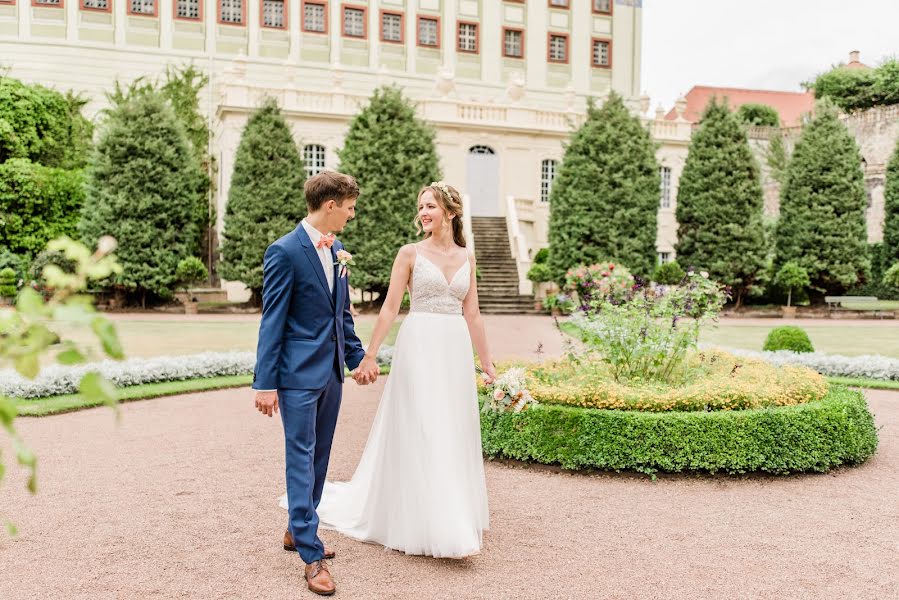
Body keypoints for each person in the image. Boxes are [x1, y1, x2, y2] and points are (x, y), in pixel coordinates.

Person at [281, 181, 495, 560]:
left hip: (454, 348)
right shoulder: (409, 253)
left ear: (450, 211)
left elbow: (473, 314)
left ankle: (450, 512)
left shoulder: (468, 257)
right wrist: (369, 355)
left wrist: (489, 365)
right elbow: (390, 308)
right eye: (421, 206)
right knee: (424, 425)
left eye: (430, 206)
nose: (423, 212)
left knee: (451, 426)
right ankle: (423, 520)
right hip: (419, 346)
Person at [252, 171, 379, 596]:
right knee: (300, 456)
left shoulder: (338, 250)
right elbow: (273, 320)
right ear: (330, 205)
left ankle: (295, 527)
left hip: (331, 374)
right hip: (295, 376)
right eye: (349, 206)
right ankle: (311, 553)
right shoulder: (284, 251)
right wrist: (264, 382)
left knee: (321, 456)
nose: (351, 214)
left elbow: (341, 315)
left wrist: (358, 357)